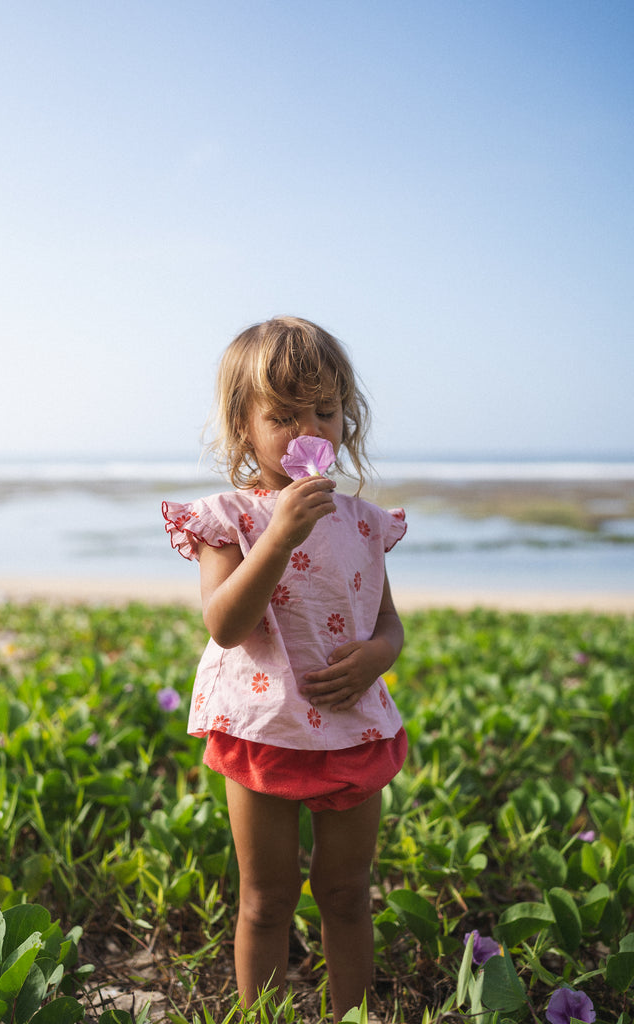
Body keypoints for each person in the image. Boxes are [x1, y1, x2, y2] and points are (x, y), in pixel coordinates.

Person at [163, 316, 407, 1020]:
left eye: (325, 411)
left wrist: (379, 654)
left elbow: (387, 621)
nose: (311, 430)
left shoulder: (363, 522)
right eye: (285, 416)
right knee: (265, 900)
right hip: (262, 727)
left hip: (351, 727)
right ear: (243, 428)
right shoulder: (229, 518)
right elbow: (226, 625)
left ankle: (348, 1015)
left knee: (345, 893)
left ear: (345, 416)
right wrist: (278, 537)